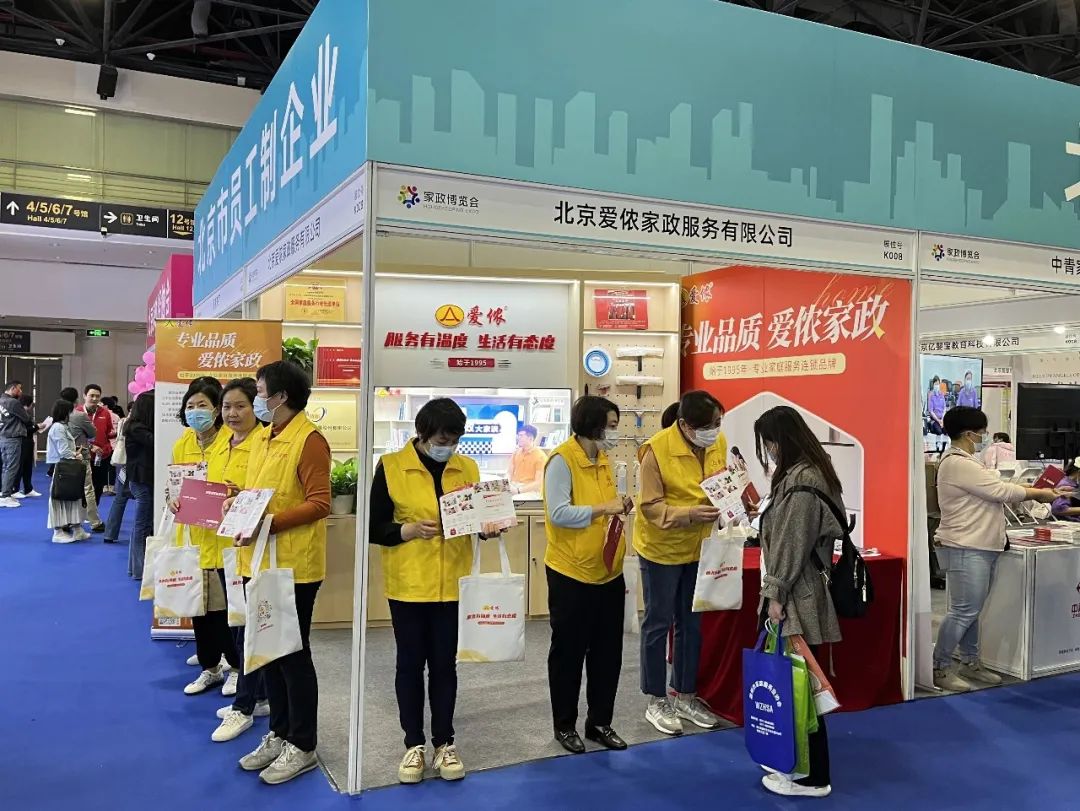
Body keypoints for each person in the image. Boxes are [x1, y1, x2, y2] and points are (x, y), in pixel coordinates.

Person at [369, 398, 481, 785]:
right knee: (410, 664)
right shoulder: (390, 466)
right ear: (422, 433)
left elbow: (476, 516)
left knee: (445, 665)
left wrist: (489, 525)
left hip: (453, 583)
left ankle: (445, 742)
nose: (447, 446)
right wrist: (409, 530)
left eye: (454, 439)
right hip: (409, 585)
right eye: (441, 439)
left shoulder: (467, 467)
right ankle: (413, 744)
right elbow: (375, 527)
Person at [233, 360, 330, 786]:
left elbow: (320, 503)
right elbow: (258, 492)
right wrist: (237, 502)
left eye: (259, 392)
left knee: (292, 654)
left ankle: (303, 743)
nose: (256, 399)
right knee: (268, 650)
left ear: (281, 396)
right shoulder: (264, 436)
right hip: (258, 559)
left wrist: (268, 522)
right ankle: (279, 731)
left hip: (294, 566)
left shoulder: (309, 440)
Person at [932, 406, 1060, 693]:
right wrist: (1039, 492)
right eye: (982, 432)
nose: (985, 437)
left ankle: (970, 661)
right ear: (969, 434)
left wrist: (1032, 488)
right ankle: (939, 667)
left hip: (979, 545)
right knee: (963, 611)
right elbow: (1000, 491)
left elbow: (997, 486)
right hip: (966, 545)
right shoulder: (958, 463)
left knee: (971, 610)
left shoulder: (968, 463)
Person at [754, 405, 845, 799]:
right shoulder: (808, 473)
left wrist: (774, 595)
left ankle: (812, 777)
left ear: (780, 440)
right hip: (800, 590)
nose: (769, 451)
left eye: (769, 443)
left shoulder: (803, 480)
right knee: (797, 683)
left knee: (801, 688)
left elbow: (791, 545)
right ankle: (795, 762)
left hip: (797, 595)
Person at [543, 395, 632, 755]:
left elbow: (606, 507)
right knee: (568, 654)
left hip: (608, 572)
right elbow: (558, 513)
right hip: (571, 573)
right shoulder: (562, 460)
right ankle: (564, 725)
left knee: (608, 654)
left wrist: (618, 506)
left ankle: (599, 723)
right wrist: (603, 508)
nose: (615, 432)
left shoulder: (604, 459)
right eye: (611, 426)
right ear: (591, 425)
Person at [634, 390, 726, 735]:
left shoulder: (718, 442)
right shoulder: (655, 451)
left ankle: (685, 695)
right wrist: (688, 514)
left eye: (718, 423)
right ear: (685, 425)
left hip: (701, 548)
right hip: (661, 549)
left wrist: (734, 502)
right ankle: (656, 699)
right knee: (658, 623)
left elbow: (722, 482)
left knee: (692, 623)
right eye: (708, 425)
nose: (714, 431)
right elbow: (650, 506)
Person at [211, 377, 270, 743]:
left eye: (240, 406)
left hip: (252, 546)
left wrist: (240, 496)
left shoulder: (263, 443)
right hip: (224, 544)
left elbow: (264, 494)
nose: (232, 413)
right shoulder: (222, 441)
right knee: (237, 624)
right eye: (226, 407)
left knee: (249, 626)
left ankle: (244, 706)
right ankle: (259, 695)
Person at [170, 378, 233, 696]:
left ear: (217, 409)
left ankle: (235, 667)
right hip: (194, 538)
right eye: (190, 405)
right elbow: (175, 484)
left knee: (227, 610)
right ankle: (210, 667)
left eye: (203, 405)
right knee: (200, 607)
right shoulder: (183, 442)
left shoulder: (232, 441)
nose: (195, 411)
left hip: (225, 541)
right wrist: (172, 499)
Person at [45, 398, 87, 543]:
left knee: (73, 497)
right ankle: (58, 531)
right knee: (60, 498)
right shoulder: (58, 427)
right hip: (63, 467)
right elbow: (63, 451)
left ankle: (77, 528)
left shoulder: (63, 426)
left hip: (68, 466)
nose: (72, 414)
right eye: (70, 411)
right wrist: (76, 455)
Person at [124, 392, 155, 580]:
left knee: (142, 525)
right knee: (142, 525)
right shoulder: (137, 429)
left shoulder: (134, 426)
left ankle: (136, 567)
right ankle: (139, 569)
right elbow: (154, 441)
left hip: (141, 478)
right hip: (141, 480)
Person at [59, 388, 100, 530]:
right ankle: (95, 522)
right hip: (80, 455)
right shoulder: (80, 415)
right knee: (87, 489)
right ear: (77, 399)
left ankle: (65, 520)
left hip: (63, 457)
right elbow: (92, 433)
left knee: (66, 490)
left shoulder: (58, 416)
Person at [77, 384, 115, 527]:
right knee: (82, 486)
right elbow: (74, 436)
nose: (94, 398)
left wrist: (113, 437)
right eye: (91, 395)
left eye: (97, 396)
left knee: (98, 485)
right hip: (83, 456)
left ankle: (93, 511)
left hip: (102, 456)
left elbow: (109, 432)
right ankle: (83, 511)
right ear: (84, 396)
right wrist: (90, 446)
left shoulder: (105, 413)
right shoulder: (77, 412)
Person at [0, 380, 34, 508]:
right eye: (19, 389)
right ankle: (5, 496)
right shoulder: (13, 402)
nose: (21, 391)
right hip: (13, 438)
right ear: (13, 388)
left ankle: (4, 492)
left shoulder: (1, 400)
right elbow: (26, 419)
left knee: (6, 467)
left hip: (3, 437)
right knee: (11, 467)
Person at [15, 393, 43, 499]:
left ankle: (28, 489)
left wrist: (36, 427)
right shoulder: (19, 414)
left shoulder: (26, 414)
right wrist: (37, 427)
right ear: (29, 404)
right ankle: (15, 489)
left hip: (29, 442)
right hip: (22, 442)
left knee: (28, 467)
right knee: (20, 467)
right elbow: (23, 430)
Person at [507, 424, 547, 495]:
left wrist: (518, 490)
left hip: (529, 490)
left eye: (521, 435)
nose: (518, 438)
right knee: (492, 496)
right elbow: (509, 473)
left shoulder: (541, 456)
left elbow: (538, 483)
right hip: (514, 486)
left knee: (512, 499)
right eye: (518, 435)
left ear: (530, 438)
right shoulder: (516, 453)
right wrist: (506, 485)